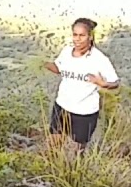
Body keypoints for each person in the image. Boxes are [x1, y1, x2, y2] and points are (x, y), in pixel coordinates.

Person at [43, 18, 120, 150]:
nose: (77, 39)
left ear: (90, 37)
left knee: (78, 150)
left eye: (82, 35)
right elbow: (59, 69)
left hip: (84, 112)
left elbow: (115, 82)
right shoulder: (67, 51)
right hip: (62, 106)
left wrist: (102, 83)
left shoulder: (99, 59)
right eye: (75, 35)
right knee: (53, 144)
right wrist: (42, 64)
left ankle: (75, 170)